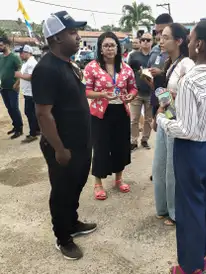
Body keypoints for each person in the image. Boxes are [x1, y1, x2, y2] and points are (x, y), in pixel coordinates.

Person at [157, 12, 206, 273]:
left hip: (192, 150)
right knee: (205, 203)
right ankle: (200, 257)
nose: (188, 43)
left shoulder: (190, 79)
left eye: (190, 39)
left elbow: (185, 128)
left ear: (198, 44)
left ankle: (189, 267)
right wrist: (170, 106)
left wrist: (162, 121)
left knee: (189, 209)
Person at [31, 11, 97, 260]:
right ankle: (63, 237)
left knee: (76, 184)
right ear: (56, 37)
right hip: (63, 146)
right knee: (62, 190)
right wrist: (59, 149)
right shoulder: (46, 69)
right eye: (72, 32)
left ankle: (72, 222)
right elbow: (43, 114)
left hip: (79, 143)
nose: (78, 37)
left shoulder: (68, 63)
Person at [149, 23, 195, 227]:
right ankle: (163, 207)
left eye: (166, 37)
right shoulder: (170, 63)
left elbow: (187, 99)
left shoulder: (187, 65)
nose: (161, 40)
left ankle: (175, 212)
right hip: (166, 117)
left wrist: (168, 100)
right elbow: (167, 96)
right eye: (160, 36)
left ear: (178, 41)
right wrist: (159, 108)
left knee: (172, 169)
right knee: (159, 166)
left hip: (177, 122)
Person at [84, 32, 137, 200]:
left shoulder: (126, 67)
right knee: (100, 147)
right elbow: (86, 91)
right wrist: (102, 95)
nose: (109, 48)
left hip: (121, 111)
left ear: (117, 48)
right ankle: (98, 183)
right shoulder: (92, 67)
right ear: (100, 49)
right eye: (106, 45)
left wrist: (131, 96)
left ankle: (119, 179)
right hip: (101, 114)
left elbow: (133, 88)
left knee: (120, 146)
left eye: (112, 45)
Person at [147, 13, 173, 182]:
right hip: (158, 98)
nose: (159, 38)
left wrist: (162, 74)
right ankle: (160, 168)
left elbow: (172, 82)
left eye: (163, 33)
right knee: (160, 134)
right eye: (157, 33)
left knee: (171, 133)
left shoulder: (181, 57)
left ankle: (167, 170)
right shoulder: (156, 51)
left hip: (170, 103)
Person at [128, 32, 153, 150]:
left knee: (148, 119)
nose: (145, 42)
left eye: (148, 40)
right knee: (134, 119)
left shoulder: (155, 56)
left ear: (152, 42)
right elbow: (128, 72)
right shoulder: (133, 56)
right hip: (136, 92)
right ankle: (133, 141)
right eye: (143, 40)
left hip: (150, 93)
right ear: (140, 41)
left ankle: (145, 140)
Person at [15, 45, 40, 143]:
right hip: (28, 92)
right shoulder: (27, 63)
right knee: (32, 112)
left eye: (21, 53)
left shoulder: (32, 63)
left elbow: (31, 77)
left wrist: (19, 75)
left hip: (31, 92)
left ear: (27, 53)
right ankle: (37, 129)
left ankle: (33, 133)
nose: (20, 55)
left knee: (30, 113)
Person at [0, 36, 23, 139]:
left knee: (14, 107)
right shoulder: (1, 57)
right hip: (3, 87)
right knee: (9, 108)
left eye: (1, 45)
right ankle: (15, 126)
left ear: (7, 45)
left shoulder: (14, 57)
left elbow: (20, 71)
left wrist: (17, 83)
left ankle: (19, 129)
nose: (0, 47)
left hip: (13, 87)